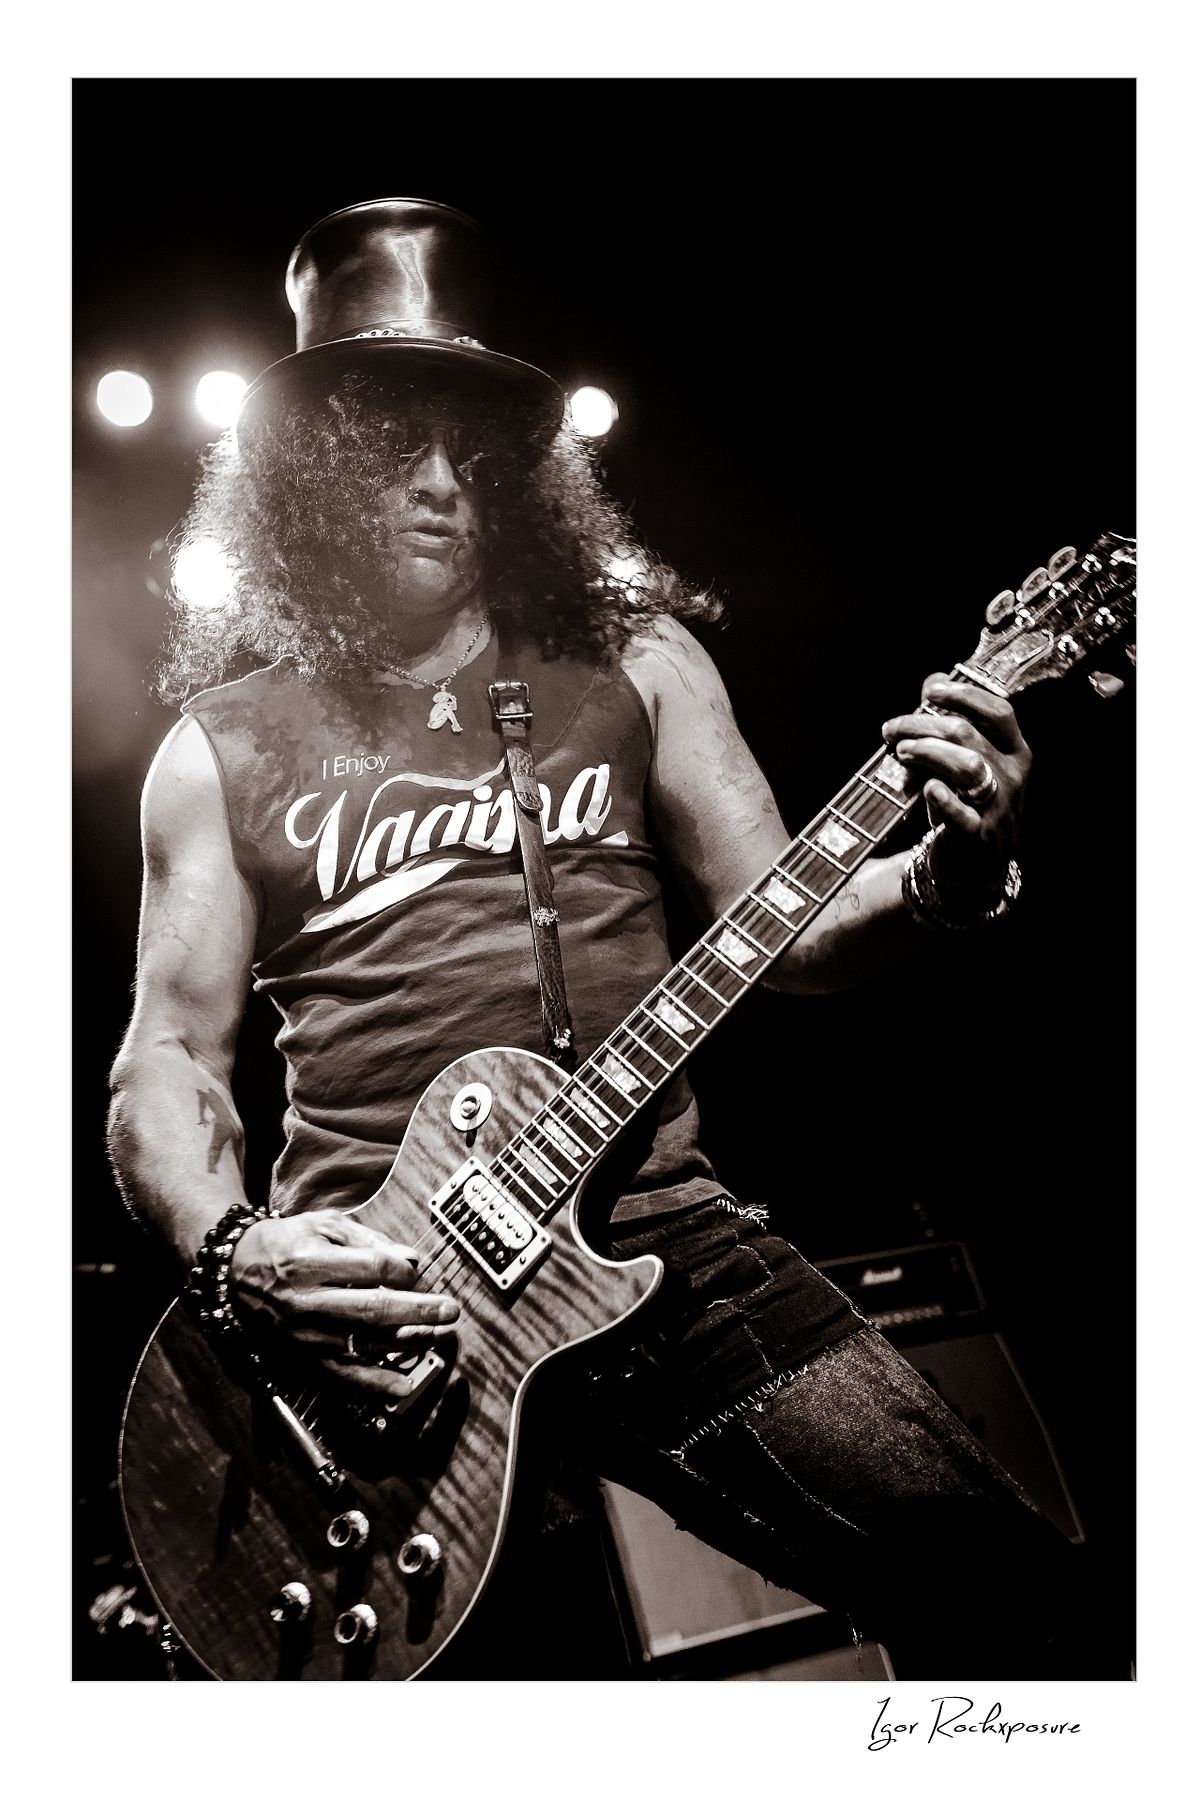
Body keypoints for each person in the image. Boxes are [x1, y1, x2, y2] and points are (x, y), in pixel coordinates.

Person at [106, 198, 1113, 1680]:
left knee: (1015, 1598)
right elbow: (170, 1059)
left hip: (653, 1226)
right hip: (373, 1298)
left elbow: (791, 925)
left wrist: (956, 873)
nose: (443, 483)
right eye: (396, 446)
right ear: (309, 472)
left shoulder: (637, 661)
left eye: (472, 451)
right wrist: (236, 1252)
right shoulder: (217, 746)